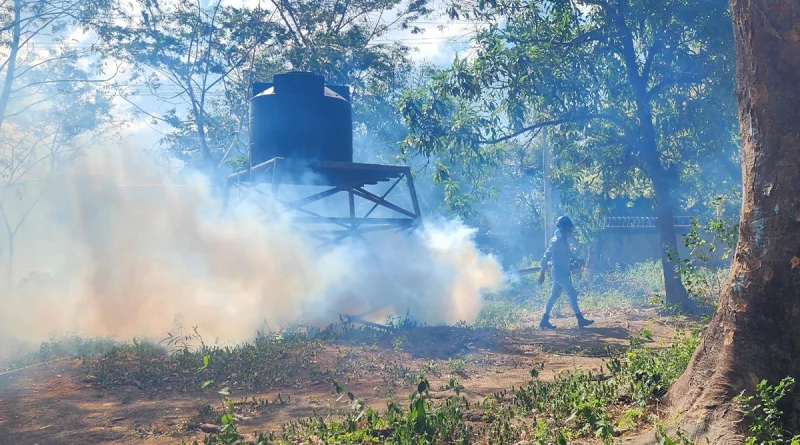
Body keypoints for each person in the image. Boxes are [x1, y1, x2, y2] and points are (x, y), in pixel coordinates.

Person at [537, 216, 594, 330]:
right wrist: (542, 274)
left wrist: (579, 259)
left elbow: (568, 253)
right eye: (567, 228)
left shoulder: (562, 239)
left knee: (554, 296)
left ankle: (544, 320)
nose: (569, 230)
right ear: (562, 228)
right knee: (571, 293)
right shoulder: (555, 241)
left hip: (562, 273)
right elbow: (545, 258)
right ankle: (580, 319)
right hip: (559, 273)